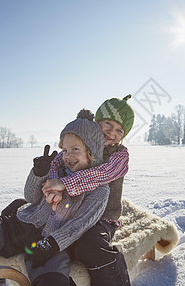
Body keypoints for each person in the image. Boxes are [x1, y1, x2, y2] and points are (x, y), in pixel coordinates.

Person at [0, 112, 110, 286]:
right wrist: (38, 173)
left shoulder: (99, 189)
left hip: (52, 241)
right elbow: (31, 197)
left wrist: (52, 244)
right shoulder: (58, 171)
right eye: (65, 150)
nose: (68, 155)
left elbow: (80, 224)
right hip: (22, 224)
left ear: (91, 151)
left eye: (75, 150)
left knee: (52, 279)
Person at [42, 95, 135, 286]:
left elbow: (102, 174)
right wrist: (54, 187)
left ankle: (115, 279)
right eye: (108, 123)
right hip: (72, 212)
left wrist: (65, 183)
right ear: (97, 122)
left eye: (119, 130)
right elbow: (56, 162)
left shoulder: (120, 156)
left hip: (102, 218)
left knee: (88, 244)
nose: (112, 132)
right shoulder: (80, 143)